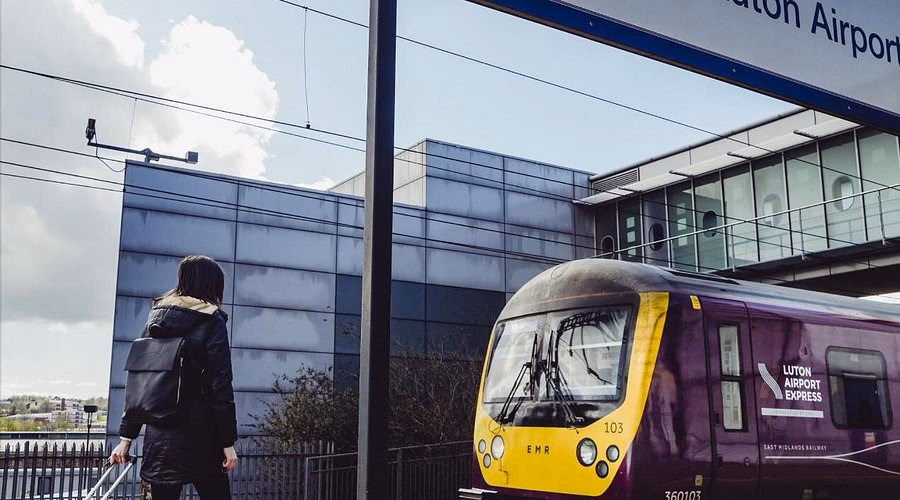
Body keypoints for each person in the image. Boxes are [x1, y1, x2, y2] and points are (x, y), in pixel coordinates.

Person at [109, 255, 238, 499]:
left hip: (159, 438)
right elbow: (220, 386)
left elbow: (141, 384)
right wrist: (227, 443)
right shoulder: (212, 320)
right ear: (213, 285)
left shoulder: (155, 319)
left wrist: (127, 438)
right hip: (202, 436)